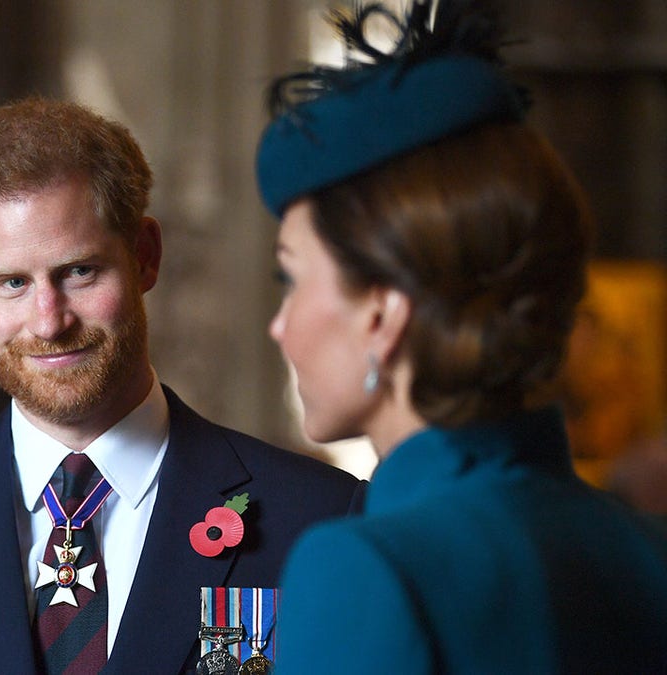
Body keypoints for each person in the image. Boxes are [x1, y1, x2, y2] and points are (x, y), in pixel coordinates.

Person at [0, 96, 366, 674]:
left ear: (146, 256)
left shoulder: (317, 519)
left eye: (79, 271)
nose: (48, 320)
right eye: (10, 282)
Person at [254, 1, 667, 672]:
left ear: (383, 317)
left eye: (290, 278)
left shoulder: (365, 569)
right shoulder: (644, 548)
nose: (281, 324)